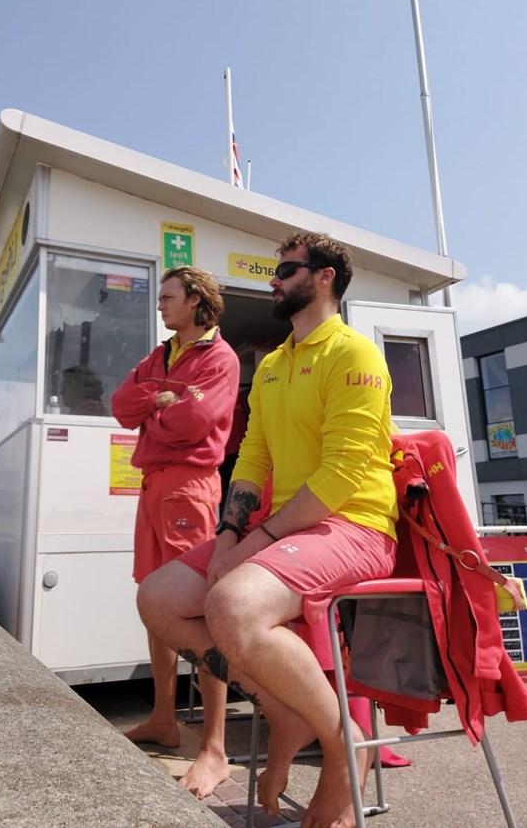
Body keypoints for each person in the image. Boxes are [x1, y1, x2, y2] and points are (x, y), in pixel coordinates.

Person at [136, 231, 398, 823]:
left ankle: (343, 747)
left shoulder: (354, 352)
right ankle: (287, 713)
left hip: (356, 525)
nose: (272, 281)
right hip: (295, 531)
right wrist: (229, 537)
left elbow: (342, 475)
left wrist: (255, 542)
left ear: (324, 276)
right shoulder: (275, 362)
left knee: (231, 603)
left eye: (284, 270)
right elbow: (252, 457)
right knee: (159, 598)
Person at [111, 264, 239, 795]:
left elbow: (192, 424)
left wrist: (161, 408)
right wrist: (161, 399)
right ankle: (165, 718)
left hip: (190, 486)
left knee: (196, 606)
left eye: (167, 297)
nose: (159, 305)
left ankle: (215, 748)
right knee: (154, 598)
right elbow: (121, 407)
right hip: (155, 486)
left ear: (195, 302)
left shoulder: (221, 357)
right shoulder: (161, 357)